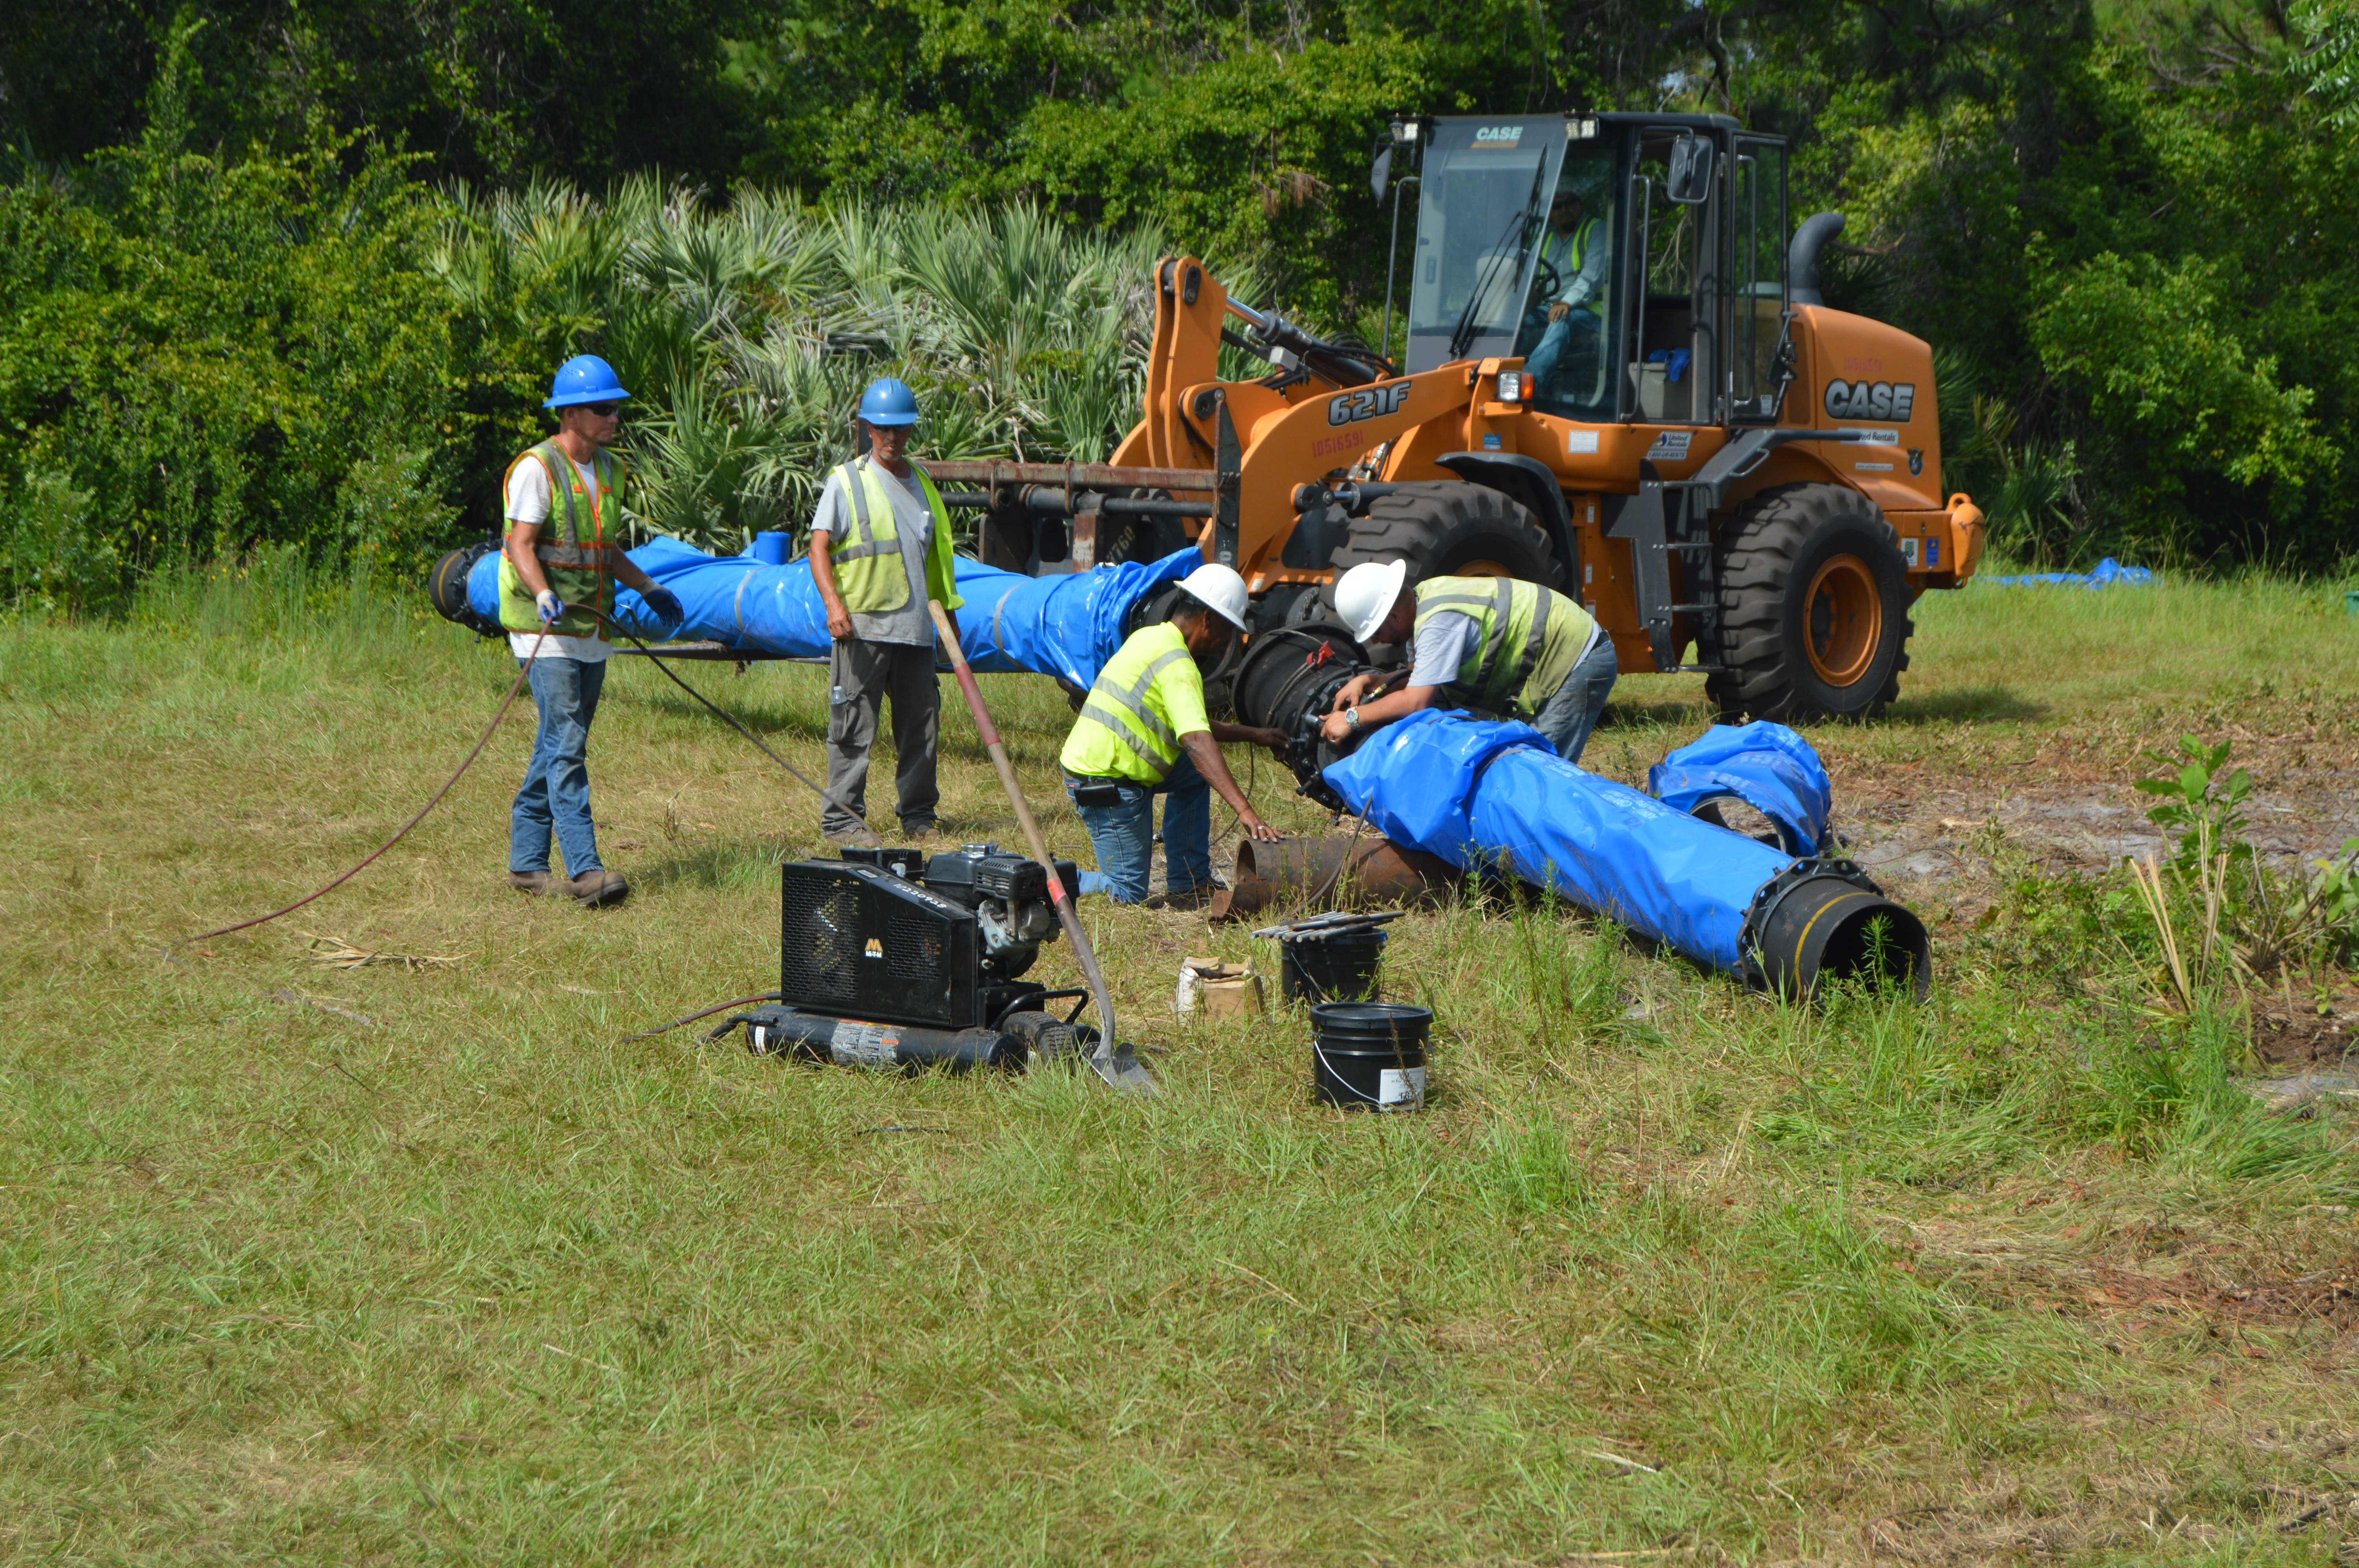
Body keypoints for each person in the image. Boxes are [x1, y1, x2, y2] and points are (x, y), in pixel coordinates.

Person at [498, 353, 686, 906]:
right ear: (570, 414)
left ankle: (527, 865)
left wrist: (649, 587)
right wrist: (542, 593)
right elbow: (520, 544)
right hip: (545, 629)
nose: (614, 419)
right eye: (603, 409)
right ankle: (586, 871)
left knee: (556, 745)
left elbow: (603, 550)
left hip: (592, 626)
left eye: (617, 409)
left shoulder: (610, 470)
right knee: (568, 742)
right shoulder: (538, 468)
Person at [1060, 565, 1289, 907]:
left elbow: (1193, 724)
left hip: (1114, 766)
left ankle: (1189, 879)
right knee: (1127, 893)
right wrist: (1246, 812)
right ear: (1208, 619)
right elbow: (1197, 742)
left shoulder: (1152, 638)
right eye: (1228, 628)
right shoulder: (1178, 666)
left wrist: (1255, 735)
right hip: (1104, 781)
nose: (1228, 641)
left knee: (1195, 776)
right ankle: (1048, 878)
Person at [807, 377, 963, 844]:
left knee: (922, 726)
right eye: (882, 429)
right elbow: (818, 548)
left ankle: (918, 816)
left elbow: (935, 562)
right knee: (854, 725)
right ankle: (842, 819)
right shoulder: (846, 481)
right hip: (863, 627)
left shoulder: (925, 486)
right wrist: (833, 604)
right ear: (867, 429)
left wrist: (950, 626)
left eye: (900, 429)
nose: (892, 438)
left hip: (916, 629)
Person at [1322, 561, 1616, 764]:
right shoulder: (1423, 602)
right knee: (1526, 760)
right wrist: (1369, 681)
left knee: (1542, 767)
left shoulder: (1438, 623)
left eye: (1376, 631)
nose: (1375, 642)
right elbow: (1418, 677)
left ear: (1395, 617)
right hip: (1560, 655)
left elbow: (1416, 702)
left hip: (1579, 658)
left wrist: (1352, 718)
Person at [1521, 174, 1609, 398]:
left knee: (1561, 320)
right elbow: (1531, 279)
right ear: (1551, 212)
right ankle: (1500, 380)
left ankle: (1530, 386)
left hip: (1589, 313)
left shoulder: (1596, 229)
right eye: (1558, 206)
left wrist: (1566, 302)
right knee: (1520, 323)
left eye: (1570, 203)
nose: (1564, 210)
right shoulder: (1545, 238)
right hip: (1548, 308)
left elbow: (1591, 277)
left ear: (1580, 205)